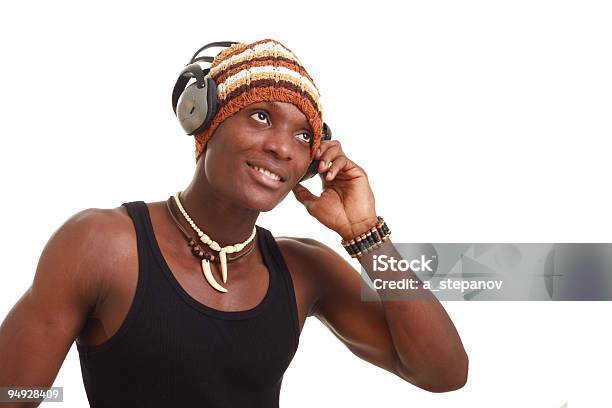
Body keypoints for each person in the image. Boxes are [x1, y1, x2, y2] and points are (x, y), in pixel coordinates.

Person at [0, 38, 468, 407]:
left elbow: (441, 372)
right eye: (261, 116)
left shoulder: (304, 268)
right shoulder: (101, 245)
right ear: (203, 121)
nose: (283, 147)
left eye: (302, 135)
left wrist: (365, 234)